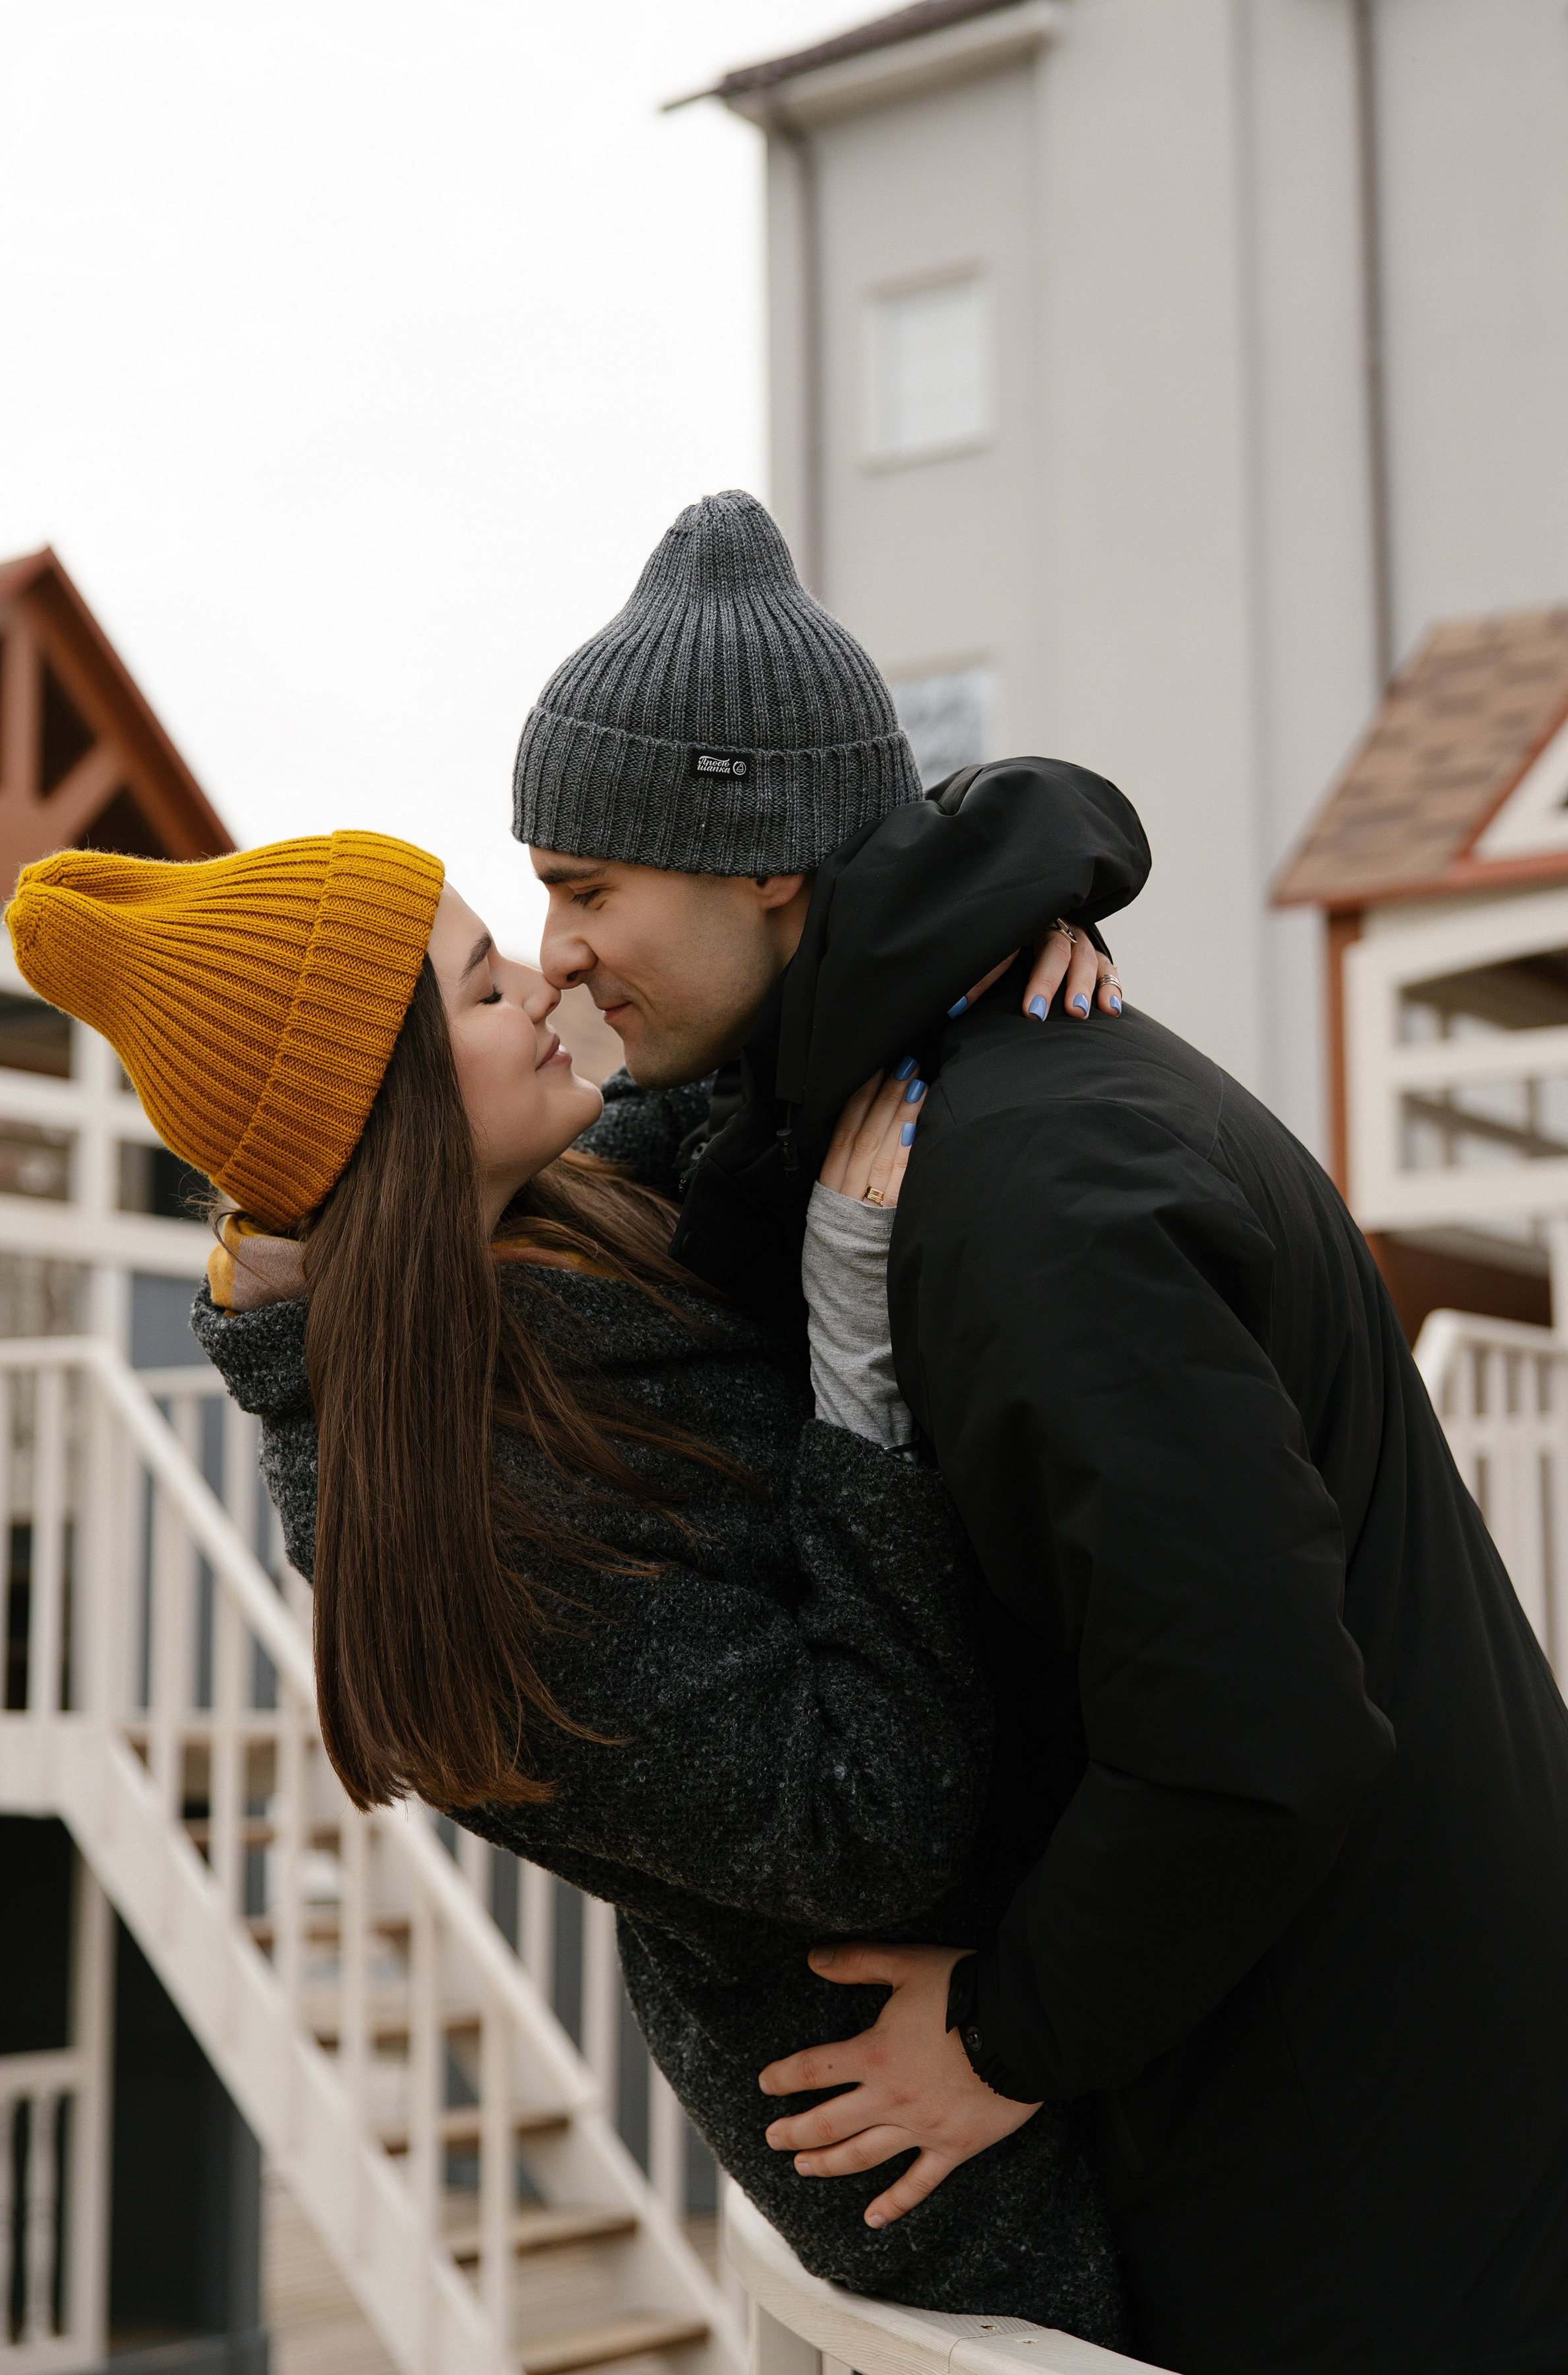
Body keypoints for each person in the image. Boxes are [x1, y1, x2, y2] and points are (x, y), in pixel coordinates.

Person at [512, 490, 1568, 2375]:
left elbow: (1254, 1732)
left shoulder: (1027, 1187)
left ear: (762, 863)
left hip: (1390, 2176)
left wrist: (1003, 2035)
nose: (558, 947)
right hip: (1341, 2106)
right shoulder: (916, 1096)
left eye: (587, 887)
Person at [3, 828, 1137, 2348]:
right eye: (482, 988)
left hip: (1073, 2018)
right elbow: (852, 1813)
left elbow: (763, 1040)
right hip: (966, 2170)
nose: (543, 984)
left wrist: (997, 928)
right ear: (385, 1110)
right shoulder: (422, 1518)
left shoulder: (549, 1201)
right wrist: (855, 1367)